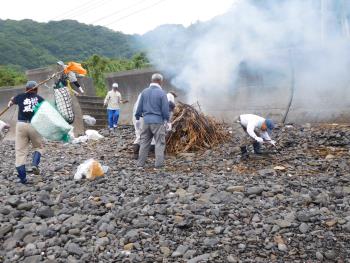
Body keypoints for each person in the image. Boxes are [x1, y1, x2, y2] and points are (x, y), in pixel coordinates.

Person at [8, 81, 45, 184]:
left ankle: (23, 179)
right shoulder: (40, 99)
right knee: (39, 147)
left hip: (21, 125)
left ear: (26, 89)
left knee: (20, 152)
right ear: (36, 90)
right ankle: (34, 164)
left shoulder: (20, 96)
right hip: (34, 125)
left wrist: (11, 101)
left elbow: (11, 102)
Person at [135, 73, 170, 168]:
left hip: (145, 121)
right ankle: (158, 165)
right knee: (159, 142)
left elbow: (139, 107)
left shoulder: (144, 92)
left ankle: (140, 164)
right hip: (157, 122)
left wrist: (137, 118)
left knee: (144, 143)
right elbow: (165, 110)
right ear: (160, 81)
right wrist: (167, 120)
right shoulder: (162, 93)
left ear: (152, 80)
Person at [132, 91, 176, 159]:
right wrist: (168, 125)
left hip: (138, 115)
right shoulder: (169, 97)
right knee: (155, 134)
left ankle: (136, 153)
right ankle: (153, 153)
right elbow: (168, 112)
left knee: (139, 134)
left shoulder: (147, 94)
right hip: (146, 117)